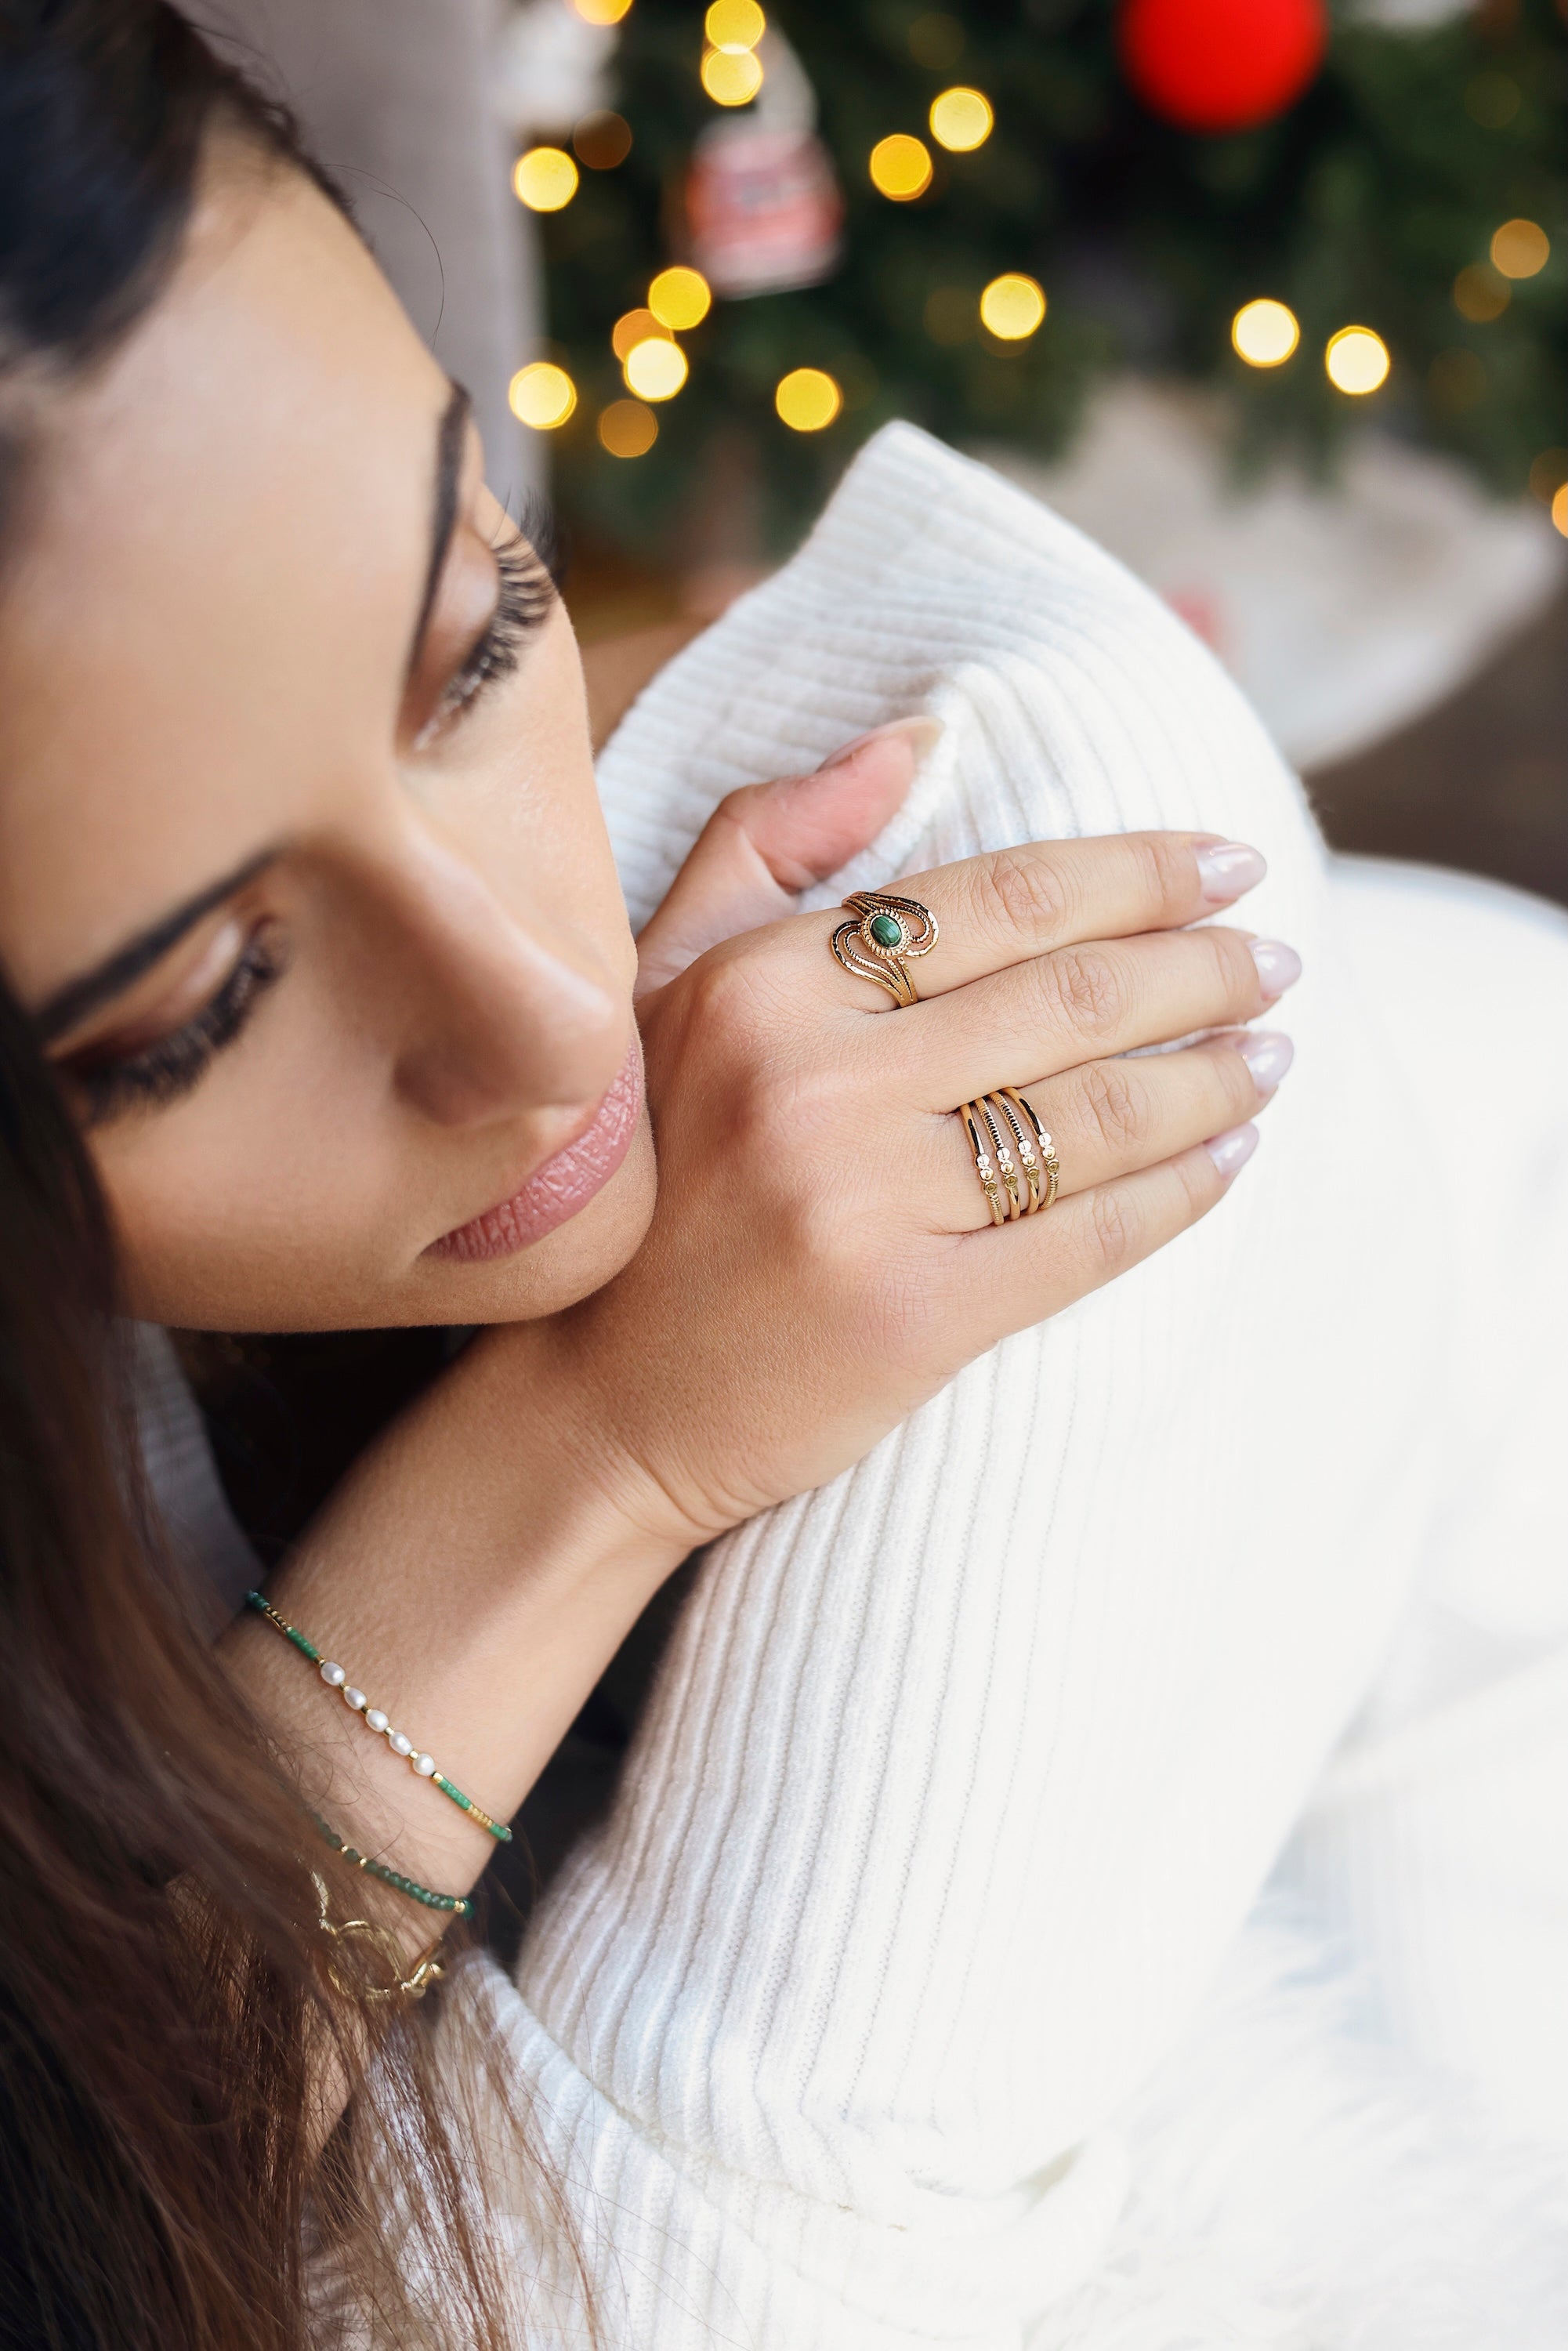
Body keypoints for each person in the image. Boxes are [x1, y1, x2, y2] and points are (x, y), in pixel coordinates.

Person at [2, 5, 1566, 2349]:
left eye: (482, 635)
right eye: (201, 1013)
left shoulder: (1003, 804)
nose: (555, 1030)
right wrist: (584, 1457)